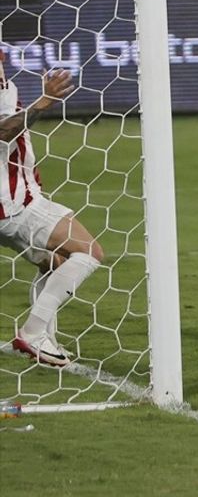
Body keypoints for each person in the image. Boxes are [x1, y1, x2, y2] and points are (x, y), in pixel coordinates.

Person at [1, 56, 102, 367]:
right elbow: (3, 131)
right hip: (16, 203)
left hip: (14, 201)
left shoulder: (7, 86)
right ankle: (32, 333)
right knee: (89, 252)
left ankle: (45, 339)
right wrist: (45, 101)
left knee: (54, 261)